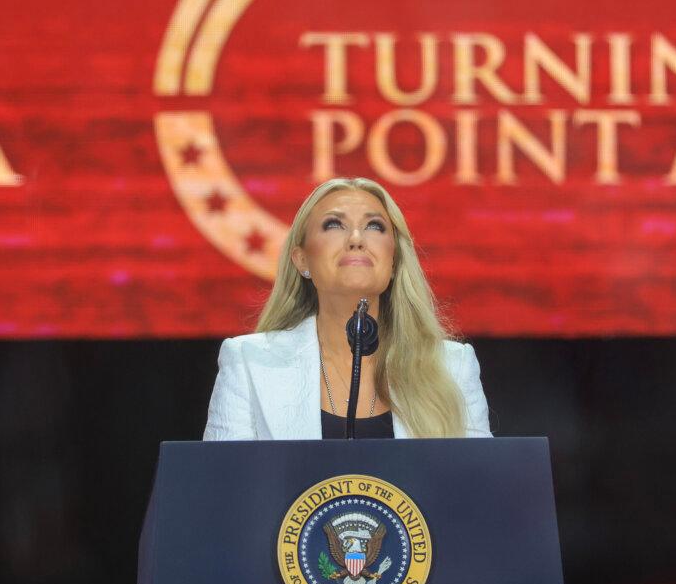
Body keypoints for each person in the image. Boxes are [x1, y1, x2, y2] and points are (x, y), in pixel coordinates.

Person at [203, 177, 491, 440]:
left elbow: (479, 487)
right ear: (301, 260)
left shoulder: (452, 367)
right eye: (334, 225)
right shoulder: (248, 363)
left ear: (393, 262)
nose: (356, 239)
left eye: (374, 226)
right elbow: (221, 488)